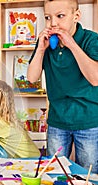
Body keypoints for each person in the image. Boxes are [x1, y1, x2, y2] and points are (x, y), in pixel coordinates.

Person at [27, 0, 98, 172]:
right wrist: (41, 49)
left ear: (76, 16)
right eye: (47, 17)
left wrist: (72, 44)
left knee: (88, 175)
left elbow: (95, 78)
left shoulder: (91, 39)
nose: (53, 23)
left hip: (88, 120)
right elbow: (31, 78)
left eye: (60, 16)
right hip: (57, 120)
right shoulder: (45, 43)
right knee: (54, 172)